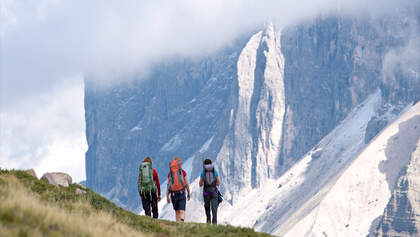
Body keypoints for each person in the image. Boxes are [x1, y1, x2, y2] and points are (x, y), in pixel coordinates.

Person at [167, 157, 191, 222]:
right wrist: (188, 194)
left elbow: (168, 185)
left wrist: (167, 197)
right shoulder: (183, 172)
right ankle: (182, 221)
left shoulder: (170, 173)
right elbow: (186, 184)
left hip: (173, 194)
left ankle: (177, 224)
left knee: (177, 211)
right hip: (182, 193)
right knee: (182, 210)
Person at [199, 158, 220, 224]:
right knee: (214, 208)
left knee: (207, 207)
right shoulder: (215, 171)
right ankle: (214, 224)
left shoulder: (203, 172)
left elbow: (200, 184)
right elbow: (218, 183)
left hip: (206, 192)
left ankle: (208, 221)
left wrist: (205, 183)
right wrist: (213, 184)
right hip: (214, 192)